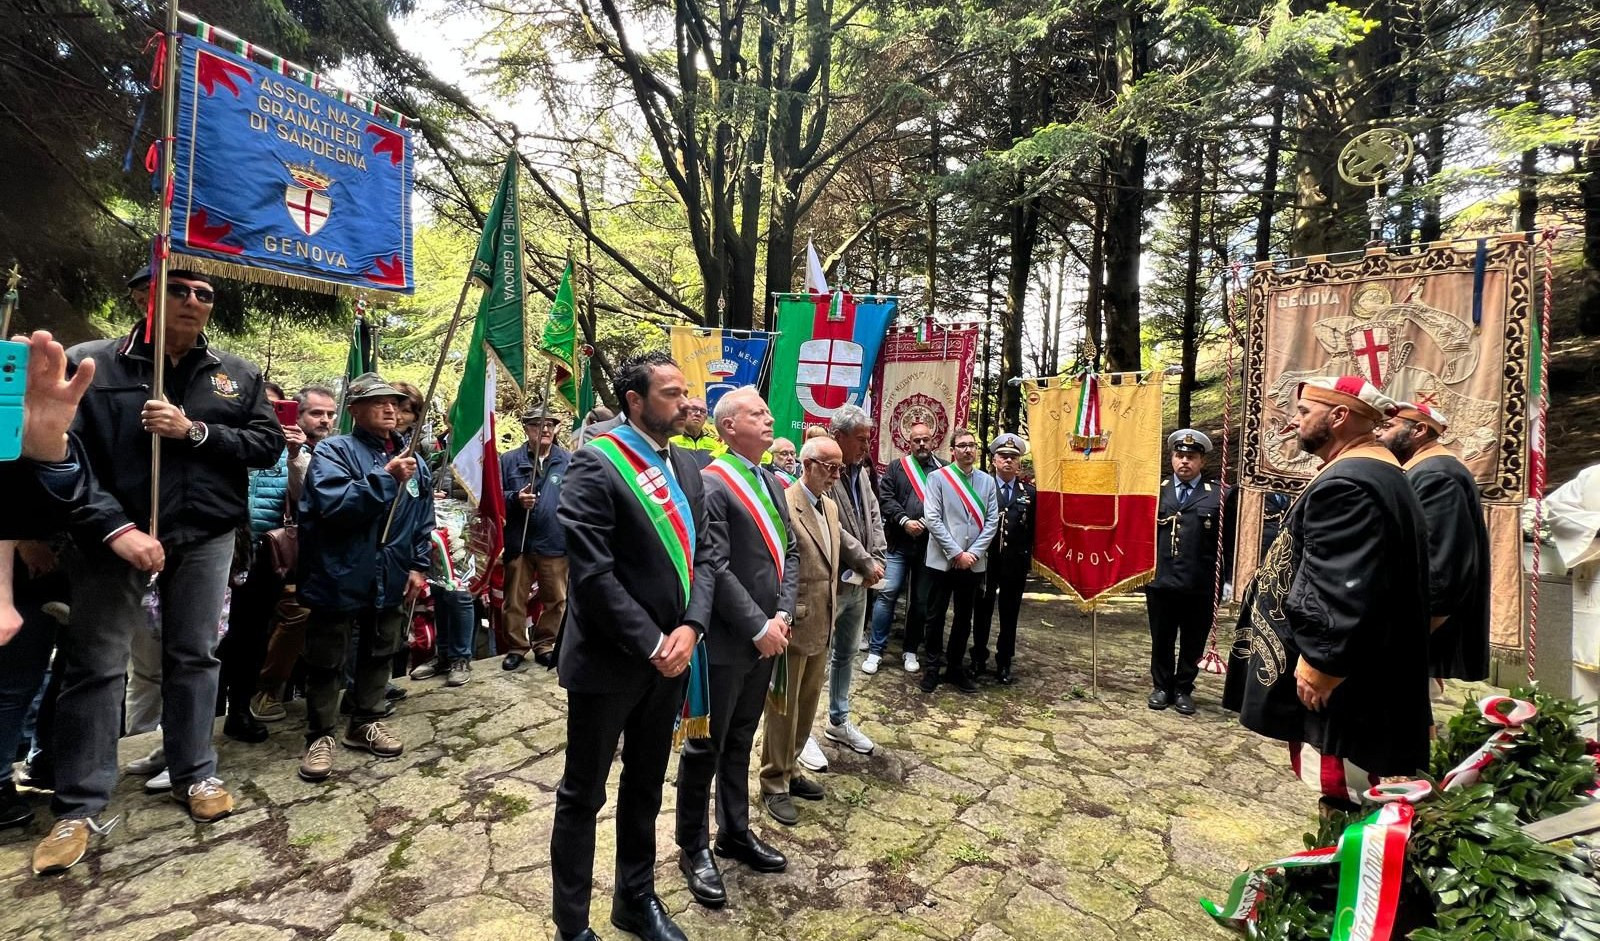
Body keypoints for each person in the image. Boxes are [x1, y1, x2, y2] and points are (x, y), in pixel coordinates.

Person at [34, 268, 283, 876]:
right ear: (146, 294)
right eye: (179, 288)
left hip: (208, 535)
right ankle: (79, 806)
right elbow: (63, 459)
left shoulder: (236, 374)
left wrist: (195, 431)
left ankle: (194, 772)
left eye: (206, 293)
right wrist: (117, 530)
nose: (194, 301)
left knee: (195, 657)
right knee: (95, 667)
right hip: (110, 541)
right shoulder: (89, 364)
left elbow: (267, 443)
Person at [551, 350, 714, 941]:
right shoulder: (595, 465)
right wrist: (653, 643)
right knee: (584, 794)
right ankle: (572, 925)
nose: (687, 402)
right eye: (672, 393)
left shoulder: (689, 467)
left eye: (686, 392)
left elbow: (706, 560)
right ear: (635, 402)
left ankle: (634, 899)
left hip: (672, 658)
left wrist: (691, 629)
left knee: (645, 784)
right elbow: (592, 576)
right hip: (611, 662)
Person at [1236, 376, 1432, 813]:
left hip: (1347, 686)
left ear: (1339, 416)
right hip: (1363, 670)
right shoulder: (1374, 471)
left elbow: (1344, 583)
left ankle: (1343, 873)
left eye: (1306, 412)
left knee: (1349, 792)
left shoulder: (1350, 482)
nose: (1296, 420)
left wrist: (1323, 662)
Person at [675, 386, 797, 909]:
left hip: (768, 635)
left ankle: (734, 831)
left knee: (742, 738)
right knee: (706, 745)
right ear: (728, 427)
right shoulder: (711, 483)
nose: (769, 419)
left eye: (768, 413)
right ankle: (693, 846)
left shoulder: (770, 478)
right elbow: (715, 567)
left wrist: (782, 616)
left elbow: (789, 553)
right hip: (728, 642)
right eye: (758, 413)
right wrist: (757, 626)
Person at [293, 373, 433, 783]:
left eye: (393, 402)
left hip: (391, 572)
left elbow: (421, 518)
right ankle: (320, 733)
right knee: (327, 656)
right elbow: (335, 506)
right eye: (377, 403)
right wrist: (385, 478)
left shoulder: (414, 459)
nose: (389, 408)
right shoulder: (334, 451)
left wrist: (418, 564)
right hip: (339, 570)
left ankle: (365, 720)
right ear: (353, 411)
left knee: (381, 648)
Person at [0, 331, 95, 831]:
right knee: (14, 682)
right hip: (26, 572)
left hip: (50, 573)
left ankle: (28, 768)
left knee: (36, 676)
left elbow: (54, 496)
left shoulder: (25, 417)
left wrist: (47, 454)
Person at [760, 435, 877, 826]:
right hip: (794, 620)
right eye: (830, 467)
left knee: (808, 702)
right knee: (782, 705)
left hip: (823, 620)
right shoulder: (784, 503)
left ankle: (792, 768)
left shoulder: (828, 505)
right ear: (807, 464)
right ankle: (773, 781)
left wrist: (864, 561)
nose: (836, 475)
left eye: (840, 468)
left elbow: (840, 540)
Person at [216, 381, 309, 744]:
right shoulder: (223, 441)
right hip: (219, 551)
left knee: (251, 638)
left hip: (264, 557)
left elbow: (304, 500)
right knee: (210, 642)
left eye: (273, 407)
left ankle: (239, 711)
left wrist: (294, 454)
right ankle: (206, 717)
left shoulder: (285, 451)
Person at [1377, 402, 1490, 682]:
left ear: (1419, 430)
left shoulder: (1435, 474)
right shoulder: (1429, 469)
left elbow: (1442, 566)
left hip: (1425, 634)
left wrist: (1417, 633)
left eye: (1388, 427)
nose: (1379, 434)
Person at [250, 383, 336, 722]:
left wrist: (297, 454)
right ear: (296, 415)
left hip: (296, 556)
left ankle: (268, 689)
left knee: (299, 615)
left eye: (330, 414)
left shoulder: (330, 452)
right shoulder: (261, 444)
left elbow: (308, 497)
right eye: (316, 413)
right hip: (250, 546)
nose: (325, 420)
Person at [819, 406, 886, 762]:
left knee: (846, 654)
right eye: (860, 439)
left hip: (859, 585)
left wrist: (879, 559)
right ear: (838, 436)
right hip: (830, 584)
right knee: (816, 660)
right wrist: (866, 560)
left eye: (868, 438)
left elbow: (874, 515)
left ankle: (838, 721)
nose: (866, 445)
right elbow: (835, 529)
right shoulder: (821, 472)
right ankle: (802, 733)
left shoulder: (861, 472)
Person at [1144, 429, 1225, 716]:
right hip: (1161, 580)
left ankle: (1183, 689)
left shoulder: (1217, 495)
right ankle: (1161, 686)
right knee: (1162, 637)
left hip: (1198, 583)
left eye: (1191, 457)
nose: (1185, 462)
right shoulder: (1157, 491)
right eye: (1180, 456)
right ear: (1172, 458)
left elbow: (1226, 541)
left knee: (1193, 639)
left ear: (1202, 461)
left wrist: (1224, 581)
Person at [917, 429, 1000, 694]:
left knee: (964, 617)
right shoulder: (937, 478)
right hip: (943, 561)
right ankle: (932, 668)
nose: (968, 450)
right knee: (935, 616)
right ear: (952, 450)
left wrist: (972, 554)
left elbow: (992, 521)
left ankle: (955, 668)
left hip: (972, 563)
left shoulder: (987, 482)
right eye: (962, 445)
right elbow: (932, 519)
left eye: (972, 445)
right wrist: (956, 553)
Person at [498, 406, 571, 671]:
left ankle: (546, 644)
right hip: (519, 540)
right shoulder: (508, 460)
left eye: (551, 425)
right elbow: (495, 498)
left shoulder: (568, 460)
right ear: (526, 428)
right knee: (514, 599)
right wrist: (515, 499)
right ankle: (517, 647)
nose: (546, 430)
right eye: (539, 425)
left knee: (556, 599)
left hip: (554, 541)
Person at [869, 422, 945, 674]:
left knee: (920, 601)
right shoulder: (897, 468)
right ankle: (876, 650)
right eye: (916, 441)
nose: (921, 444)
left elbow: (948, 504)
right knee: (887, 593)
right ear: (908, 443)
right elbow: (886, 498)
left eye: (925, 439)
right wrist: (905, 520)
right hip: (899, 542)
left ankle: (910, 649)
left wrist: (925, 522)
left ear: (933, 440)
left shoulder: (944, 469)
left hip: (928, 547)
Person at [971, 433, 1035, 685]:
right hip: (987, 561)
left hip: (1014, 564)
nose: (1008, 461)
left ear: (1019, 462)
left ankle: (1005, 661)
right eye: (1003, 456)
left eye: (1013, 457)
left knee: (1010, 615)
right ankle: (978, 657)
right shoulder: (981, 487)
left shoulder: (1029, 492)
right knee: (982, 611)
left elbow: (1034, 529)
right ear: (994, 460)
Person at [409, 491, 479, 687]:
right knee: (439, 591)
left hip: (464, 522)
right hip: (433, 520)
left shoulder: (471, 460)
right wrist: (429, 495)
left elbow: (474, 486)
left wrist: (450, 497)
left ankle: (460, 658)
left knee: (459, 592)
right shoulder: (426, 461)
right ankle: (444, 655)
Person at [669, 396, 723, 467]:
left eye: (703, 411)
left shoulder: (716, 445)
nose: (698, 414)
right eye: (694, 409)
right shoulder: (671, 440)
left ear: (706, 417)